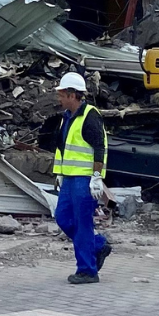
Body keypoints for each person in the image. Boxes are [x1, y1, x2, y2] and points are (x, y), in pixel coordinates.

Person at [39, 70, 111, 285]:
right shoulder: (67, 118)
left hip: (84, 179)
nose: (59, 98)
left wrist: (97, 177)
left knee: (82, 224)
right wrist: (59, 174)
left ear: (72, 95)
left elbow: (99, 147)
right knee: (63, 218)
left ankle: (87, 270)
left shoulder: (90, 116)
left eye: (62, 94)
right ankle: (97, 246)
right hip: (70, 179)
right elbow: (63, 149)